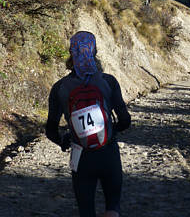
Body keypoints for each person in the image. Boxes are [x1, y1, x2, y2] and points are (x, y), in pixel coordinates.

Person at [45, 31, 131, 217]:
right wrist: (109, 130)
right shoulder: (108, 81)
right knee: (112, 208)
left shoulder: (60, 88)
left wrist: (64, 141)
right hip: (109, 153)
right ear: (95, 52)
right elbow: (125, 121)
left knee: (86, 210)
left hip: (81, 155)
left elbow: (50, 130)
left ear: (71, 53)